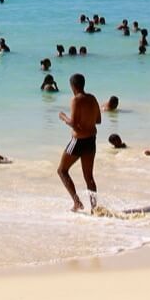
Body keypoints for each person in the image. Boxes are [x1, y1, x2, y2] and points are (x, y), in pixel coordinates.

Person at [56, 72, 102, 213]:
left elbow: (74, 124)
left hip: (78, 141)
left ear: (73, 86)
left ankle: (77, 203)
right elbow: (98, 120)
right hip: (91, 140)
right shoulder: (92, 98)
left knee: (62, 171)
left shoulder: (76, 100)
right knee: (89, 177)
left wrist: (63, 117)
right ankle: (94, 208)